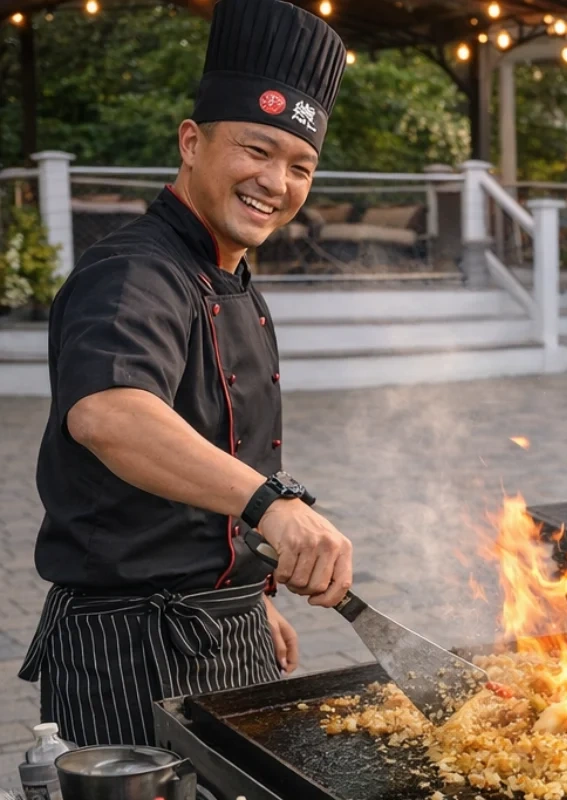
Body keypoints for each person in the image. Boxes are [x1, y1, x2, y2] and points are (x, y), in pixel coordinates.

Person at [19, 0, 355, 748]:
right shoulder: (133, 270)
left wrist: (243, 589)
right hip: (130, 648)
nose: (276, 181)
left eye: (300, 166)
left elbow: (209, 456)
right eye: (256, 151)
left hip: (220, 623)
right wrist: (274, 506)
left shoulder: (233, 277)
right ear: (192, 141)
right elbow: (109, 413)